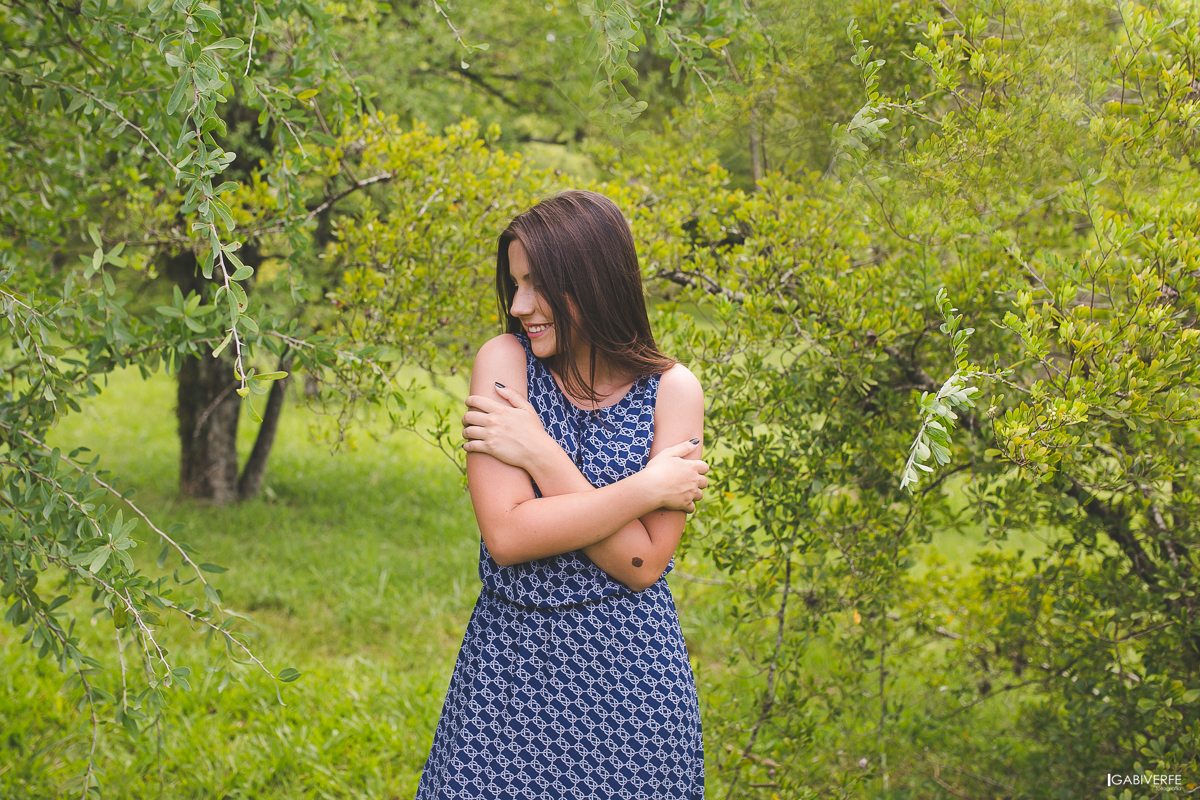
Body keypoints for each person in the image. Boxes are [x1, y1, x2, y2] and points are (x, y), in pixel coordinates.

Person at [415, 190, 709, 799]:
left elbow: (642, 563)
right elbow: (508, 535)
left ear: (594, 281)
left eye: (538, 285)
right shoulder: (505, 364)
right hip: (509, 673)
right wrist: (645, 489)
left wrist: (541, 455)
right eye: (516, 283)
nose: (519, 305)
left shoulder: (673, 391)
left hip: (633, 686)